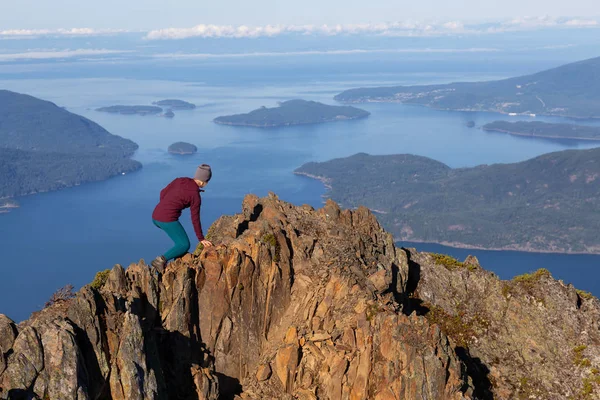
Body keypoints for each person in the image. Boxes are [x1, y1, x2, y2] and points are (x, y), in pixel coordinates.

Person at [150, 164, 213, 272]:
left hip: (155, 215)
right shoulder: (195, 196)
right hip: (167, 219)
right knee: (184, 244)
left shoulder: (180, 180)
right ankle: (160, 260)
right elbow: (195, 218)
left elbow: (162, 192)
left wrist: (166, 206)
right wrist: (201, 238)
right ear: (203, 181)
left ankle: (177, 262)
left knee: (179, 245)